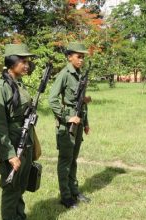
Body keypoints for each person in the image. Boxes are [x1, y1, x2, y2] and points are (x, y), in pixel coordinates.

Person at [0, 43, 35, 219]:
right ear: (11, 62)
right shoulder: (1, 87)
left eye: (27, 62)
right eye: (22, 61)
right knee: (10, 190)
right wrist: (9, 154)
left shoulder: (20, 84)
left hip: (25, 142)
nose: (27, 65)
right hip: (12, 145)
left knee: (20, 186)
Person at [48, 42, 92, 209]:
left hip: (79, 122)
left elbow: (80, 103)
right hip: (67, 126)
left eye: (83, 57)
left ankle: (74, 190)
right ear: (69, 57)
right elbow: (52, 99)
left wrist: (86, 122)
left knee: (74, 159)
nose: (81, 60)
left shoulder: (80, 74)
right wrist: (68, 117)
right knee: (65, 160)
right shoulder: (64, 74)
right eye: (78, 57)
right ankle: (65, 196)